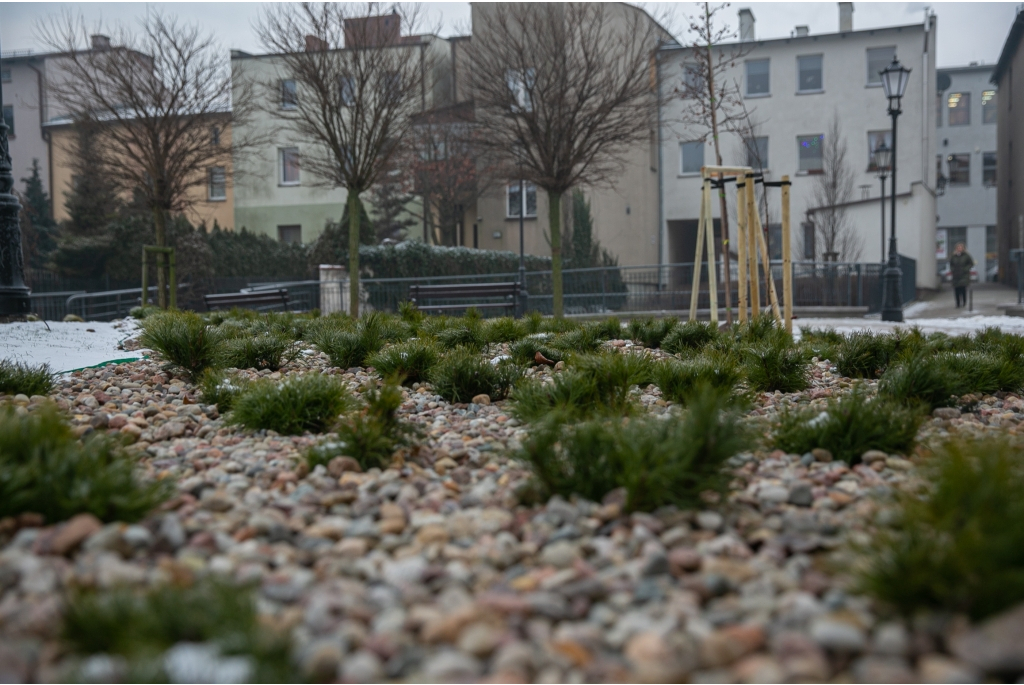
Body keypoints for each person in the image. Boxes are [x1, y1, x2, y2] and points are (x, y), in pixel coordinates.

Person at [949, 242, 974, 308]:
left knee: (963, 289)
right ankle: (957, 303)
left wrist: (966, 269)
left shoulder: (966, 256)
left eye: (960, 247)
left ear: (963, 248)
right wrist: (953, 269)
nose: (959, 249)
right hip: (956, 275)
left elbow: (971, 263)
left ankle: (964, 302)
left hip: (964, 275)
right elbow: (951, 264)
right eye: (958, 248)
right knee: (956, 290)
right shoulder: (953, 256)